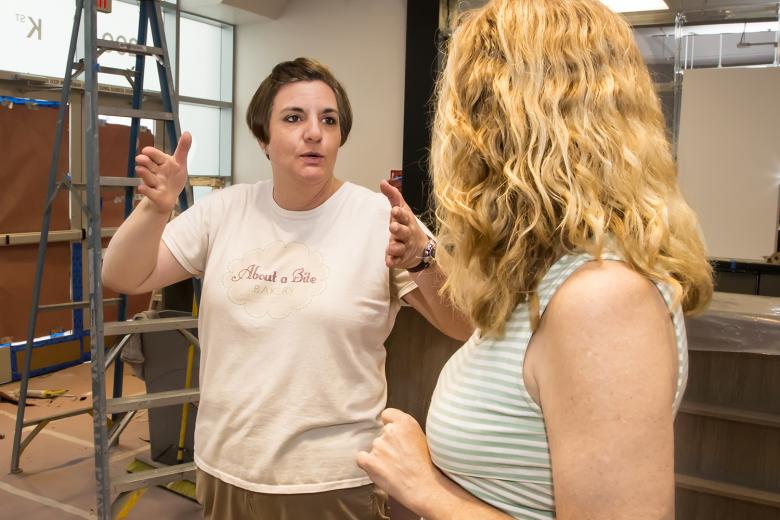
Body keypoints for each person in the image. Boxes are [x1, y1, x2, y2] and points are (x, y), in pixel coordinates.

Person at [356, 0, 714, 518]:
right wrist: (424, 254)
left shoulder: (604, 299)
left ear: (505, 126)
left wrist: (425, 487)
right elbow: (471, 319)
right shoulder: (549, 275)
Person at [102, 57, 471, 519]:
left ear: (339, 137)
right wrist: (155, 210)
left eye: (328, 120)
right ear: (264, 138)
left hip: (334, 479)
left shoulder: (381, 220)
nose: (314, 132)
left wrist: (423, 257)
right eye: (294, 118)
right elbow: (121, 276)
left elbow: (462, 323)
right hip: (224, 471)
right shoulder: (226, 211)